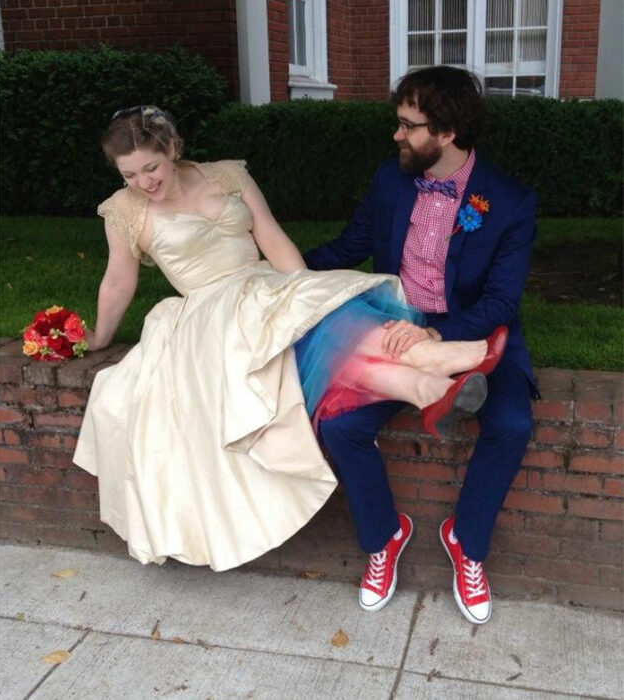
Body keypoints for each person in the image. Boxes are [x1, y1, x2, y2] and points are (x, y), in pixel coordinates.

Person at [73, 105, 505, 577]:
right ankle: (438, 357)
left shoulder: (227, 175)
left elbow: (273, 239)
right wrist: (100, 338)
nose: (143, 182)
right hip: (208, 313)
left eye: (150, 167)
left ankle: (428, 389)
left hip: (262, 284)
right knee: (316, 327)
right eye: (129, 174)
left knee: (329, 316)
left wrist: (305, 294)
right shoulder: (125, 211)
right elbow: (118, 282)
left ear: (172, 148)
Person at [304, 66, 539, 623]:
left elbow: (501, 301)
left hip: (473, 332)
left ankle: (468, 542)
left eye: (409, 126)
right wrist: (278, 268)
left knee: (510, 425)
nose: (397, 135)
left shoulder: (509, 201)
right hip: (392, 324)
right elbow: (351, 245)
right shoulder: (391, 180)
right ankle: (384, 536)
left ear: (448, 132)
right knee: (341, 426)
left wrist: (436, 333)